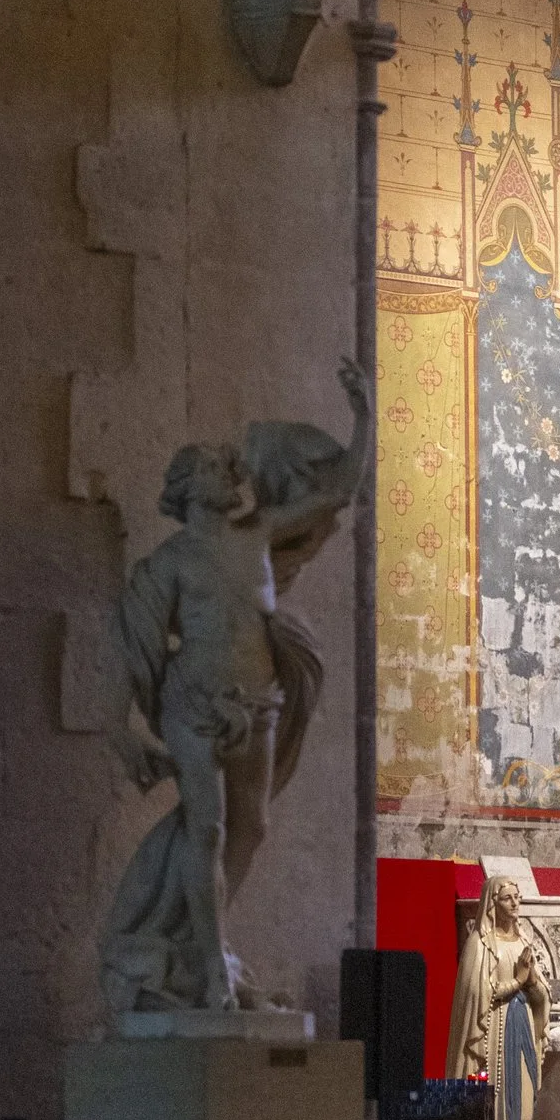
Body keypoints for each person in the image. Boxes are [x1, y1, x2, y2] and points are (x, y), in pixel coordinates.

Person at [96, 360, 372, 1018]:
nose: (239, 476)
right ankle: (214, 973)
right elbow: (132, 648)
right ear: (192, 487)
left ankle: (197, 952)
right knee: (210, 829)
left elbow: (336, 494)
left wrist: (363, 416)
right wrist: (125, 733)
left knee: (253, 825)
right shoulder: (172, 562)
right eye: (223, 469)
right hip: (196, 707)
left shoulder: (258, 536)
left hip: (261, 704)